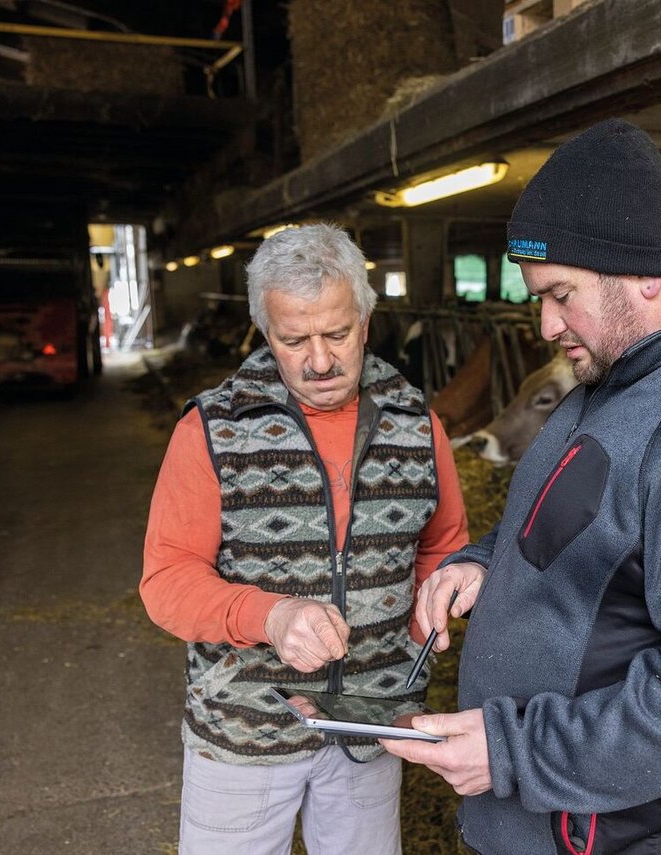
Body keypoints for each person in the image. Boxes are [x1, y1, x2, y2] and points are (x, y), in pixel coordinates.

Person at [384, 119, 661, 854]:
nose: (544, 322)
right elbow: (583, 529)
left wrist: (513, 751)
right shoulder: (619, 377)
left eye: (560, 293)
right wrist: (484, 563)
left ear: (643, 272)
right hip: (549, 823)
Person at [140, 223, 469, 854]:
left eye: (337, 334)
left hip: (373, 723)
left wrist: (440, 593)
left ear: (366, 322)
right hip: (244, 730)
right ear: (266, 333)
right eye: (295, 340)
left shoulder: (416, 424)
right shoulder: (214, 429)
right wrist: (270, 614)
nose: (320, 361)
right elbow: (166, 581)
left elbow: (444, 542)